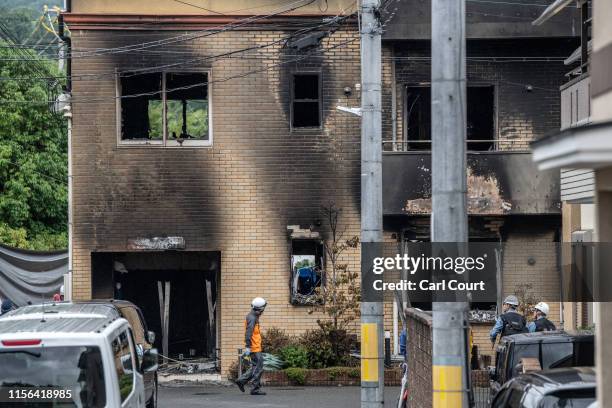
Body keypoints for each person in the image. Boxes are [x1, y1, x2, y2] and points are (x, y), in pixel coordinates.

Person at [234, 297, 267, 396]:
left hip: (255, 346)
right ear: (260, 309)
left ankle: (241, 381)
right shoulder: (252, 318)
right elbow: (248, 333)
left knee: (255, 367)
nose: (264, 310)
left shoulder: (253, 316)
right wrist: (248, 347)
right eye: (263, 308)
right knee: (259, 367)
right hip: (254, 347)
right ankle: (255, 389)